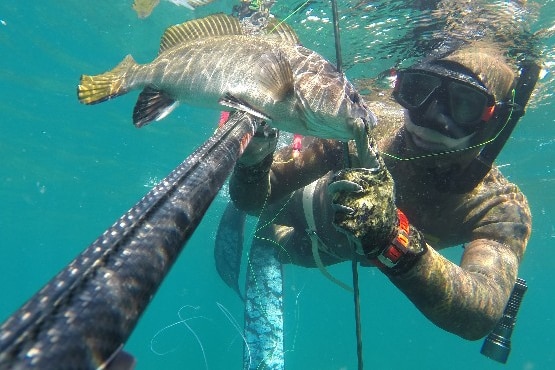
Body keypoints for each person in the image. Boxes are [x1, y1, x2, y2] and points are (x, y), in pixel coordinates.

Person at [227, 37, 538, 341]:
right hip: (303, 206)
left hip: (322, 251)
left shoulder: (498, 207)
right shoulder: (362, 131)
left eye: (464, 105)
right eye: (418, 91)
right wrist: (254, 162)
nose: (432, 118)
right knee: (259, 210)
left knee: (279, 246)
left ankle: (269, 239)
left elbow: (480, 314)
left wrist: (391, 237)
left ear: (494, 121)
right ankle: (266, 222)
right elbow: (254, 199)